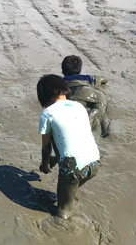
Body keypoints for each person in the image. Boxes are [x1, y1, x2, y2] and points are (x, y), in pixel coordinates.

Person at [37, 75, 100, 219]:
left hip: (73, 168)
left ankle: (63, 229)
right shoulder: (79, 107)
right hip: (95, 162)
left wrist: (45, 165)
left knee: (63, 210)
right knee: (70, 187)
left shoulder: (47, 114)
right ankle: (70, 198)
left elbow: (46, 147)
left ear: (44, 96)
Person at [61, 55, 110, 137]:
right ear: (80, 69)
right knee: (102, 115)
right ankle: (105, 131)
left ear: (63, 71)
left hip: (78, 95)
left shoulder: (63, 80)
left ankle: (88, 119)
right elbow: (104, 79)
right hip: (97, 95)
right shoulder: (88, 78)